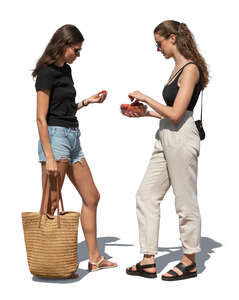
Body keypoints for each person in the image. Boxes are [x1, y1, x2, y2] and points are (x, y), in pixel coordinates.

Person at [123, 20, 209, 281]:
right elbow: (169, 115)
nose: (157, 48)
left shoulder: (190, 69)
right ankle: (148, 260)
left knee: (185, 201)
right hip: (165, 135)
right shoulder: (176, 69)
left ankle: (189, 261)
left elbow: (177, 113)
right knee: (146, 195)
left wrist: (147, 97)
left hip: (182, 137)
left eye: (159, 43)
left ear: (172, 38)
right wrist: (145, 113)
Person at [32, 24, 117, 276]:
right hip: (55, 139)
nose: (77, 56)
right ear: (63, 45)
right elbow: (40, 118)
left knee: (92, 196)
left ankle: (94, 258)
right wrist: (49, 156)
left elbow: (64, 108)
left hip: (73, 137)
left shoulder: (66, 71)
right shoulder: (45, 74)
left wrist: (86, 102)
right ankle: (51, 264)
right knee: (52, 203)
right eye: (76, 50)